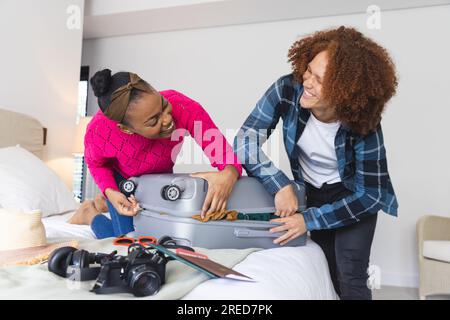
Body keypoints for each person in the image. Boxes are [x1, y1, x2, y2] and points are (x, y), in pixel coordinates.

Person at [234, 26, 398, 300]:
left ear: (344, 91)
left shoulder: (363, 121)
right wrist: (279, 184)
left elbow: (372, 195)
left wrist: (308, 220)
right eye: (308, 70)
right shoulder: (287, 89)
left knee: (350, 274)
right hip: (310, 192)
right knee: (324, 270)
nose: (307, 82)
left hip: (353, 196)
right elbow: (244, 141)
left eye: (320, 80)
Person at [69, 69, 242, 239]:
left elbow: (219, 149)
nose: (167, 119)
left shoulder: (181, 105)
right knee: (130, 241)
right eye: (154, 121)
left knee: (165, 237)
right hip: (124, 181)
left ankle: (103, 205)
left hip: (160, 177)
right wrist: (111, 192)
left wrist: (229, 172)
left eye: (164, 106)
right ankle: (89, 214)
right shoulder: (99, 130)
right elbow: (96, 164)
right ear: (127, 129)